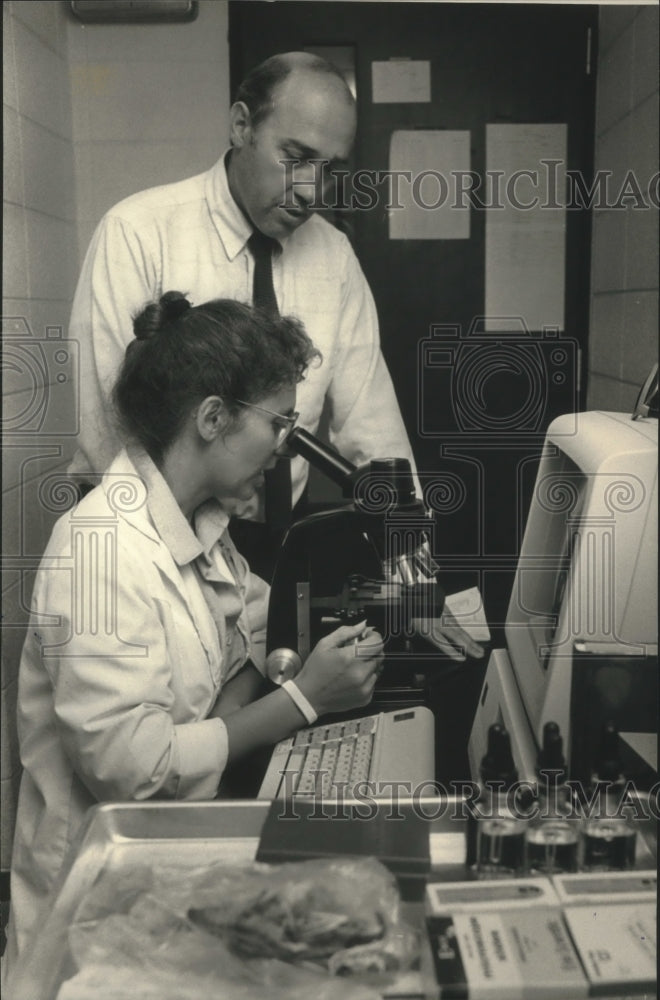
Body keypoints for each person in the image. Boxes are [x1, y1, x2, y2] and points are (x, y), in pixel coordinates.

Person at [4, 294, 385, 976]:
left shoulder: (198, 521)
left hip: (164, 872)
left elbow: (249, 637)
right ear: (213, 417)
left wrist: (249, 698)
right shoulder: (98, 551)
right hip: (87, 926)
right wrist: (302, 702)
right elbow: (139, 770)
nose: (283, 446)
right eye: (279, 424)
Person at [67, 51, 417, 530]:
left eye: (331, 169)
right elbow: (110, 434)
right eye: (295, 158)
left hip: (269, 541)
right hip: (144, 535)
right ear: (241, 125)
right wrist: (207, 559)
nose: (312, 191)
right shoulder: (137, 232)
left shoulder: (334, 256)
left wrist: (408, 539)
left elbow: (374, 426)